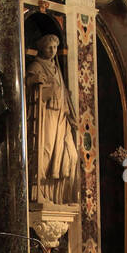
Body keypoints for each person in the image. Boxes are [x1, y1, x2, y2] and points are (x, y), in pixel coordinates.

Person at [25, 33, 80, 205]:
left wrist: (70, 115)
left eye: (55, 47)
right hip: (45, 115)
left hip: (60, 116)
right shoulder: (36, 65)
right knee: (45, 152)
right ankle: (41, 193)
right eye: (49, 47)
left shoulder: (57, 69)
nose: (53, 50)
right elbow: (26, 86)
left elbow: (63, 94)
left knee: (69, 154)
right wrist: (34, 81)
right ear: (41, 47)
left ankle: (60, 196)